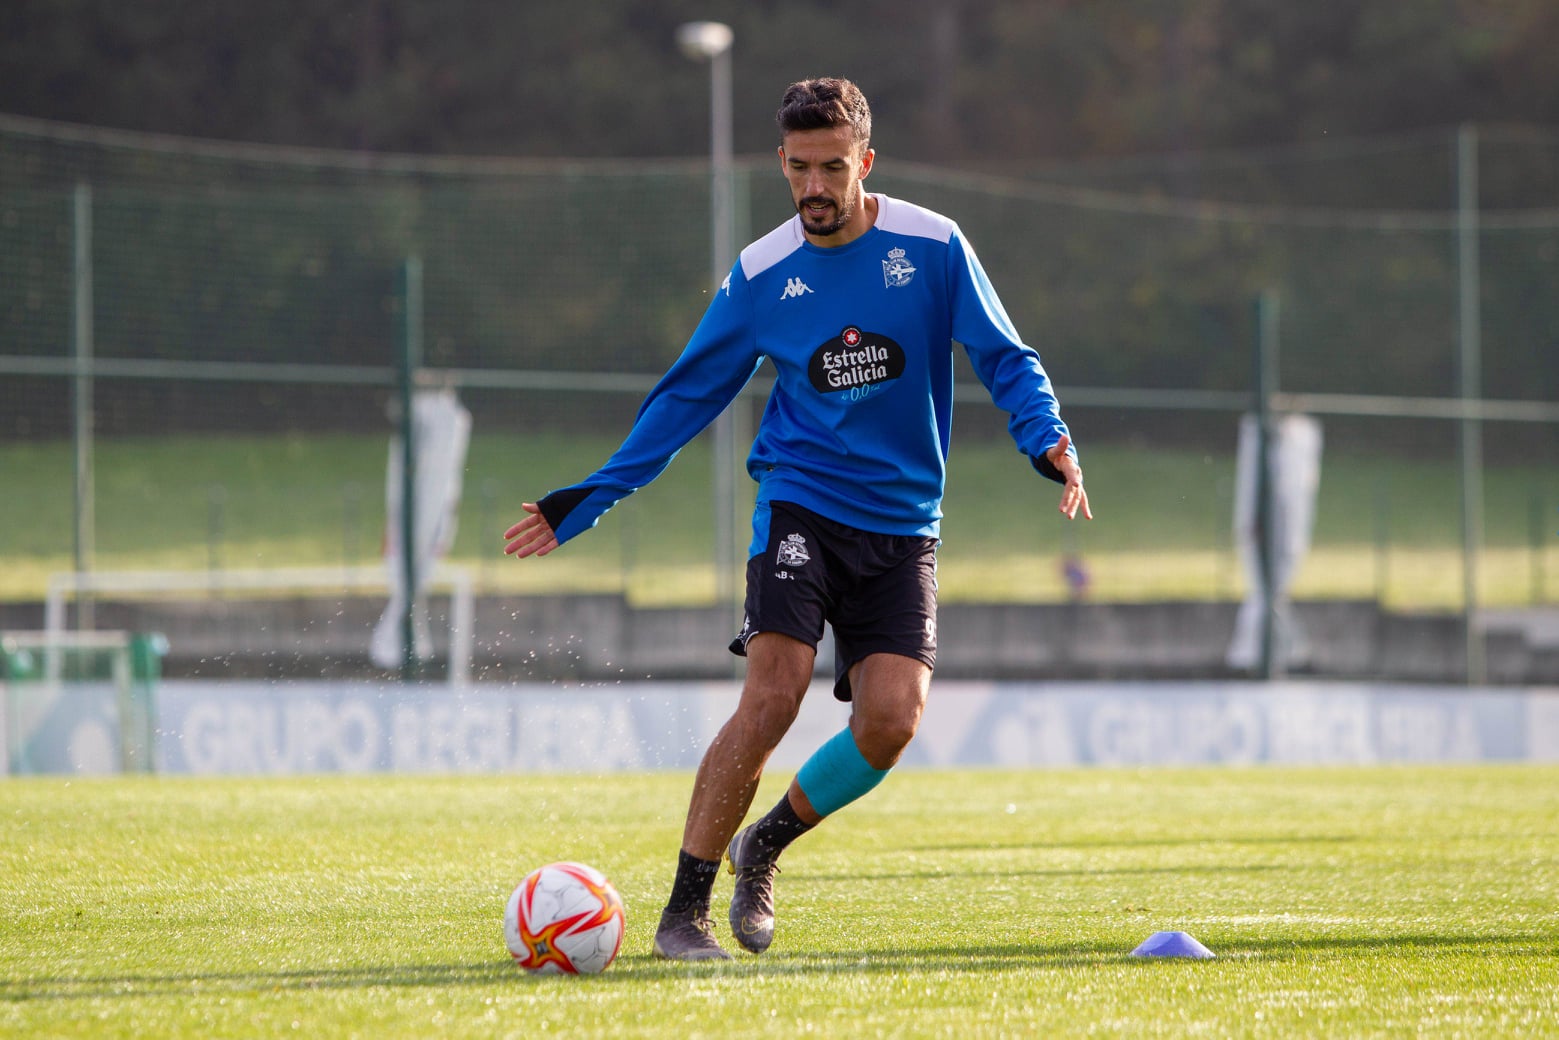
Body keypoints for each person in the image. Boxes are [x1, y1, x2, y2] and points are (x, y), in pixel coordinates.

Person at [503, 77, 1091, 961]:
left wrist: (1047, 441)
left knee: (892, 721)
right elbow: (685, 396)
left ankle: (764, 846)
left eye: (832, 168)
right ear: (781, 162)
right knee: (774, 693)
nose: (814, 187)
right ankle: (683, 912)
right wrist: (587, 499)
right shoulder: (759, 274)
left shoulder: (932, 247)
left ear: (865, 161)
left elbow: (1004, 355)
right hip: (799, 503)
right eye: (798, 169)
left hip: (902, 525)